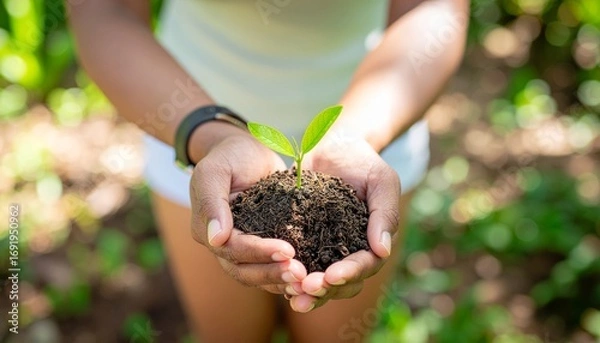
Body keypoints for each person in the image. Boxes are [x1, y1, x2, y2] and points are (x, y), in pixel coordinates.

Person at [68, 0, 468, 341]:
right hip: (186, 123)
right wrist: (209, 135)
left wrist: (354, 135)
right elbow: (104, 9)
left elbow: (435, 8)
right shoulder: (204, 145)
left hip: (377, 118)